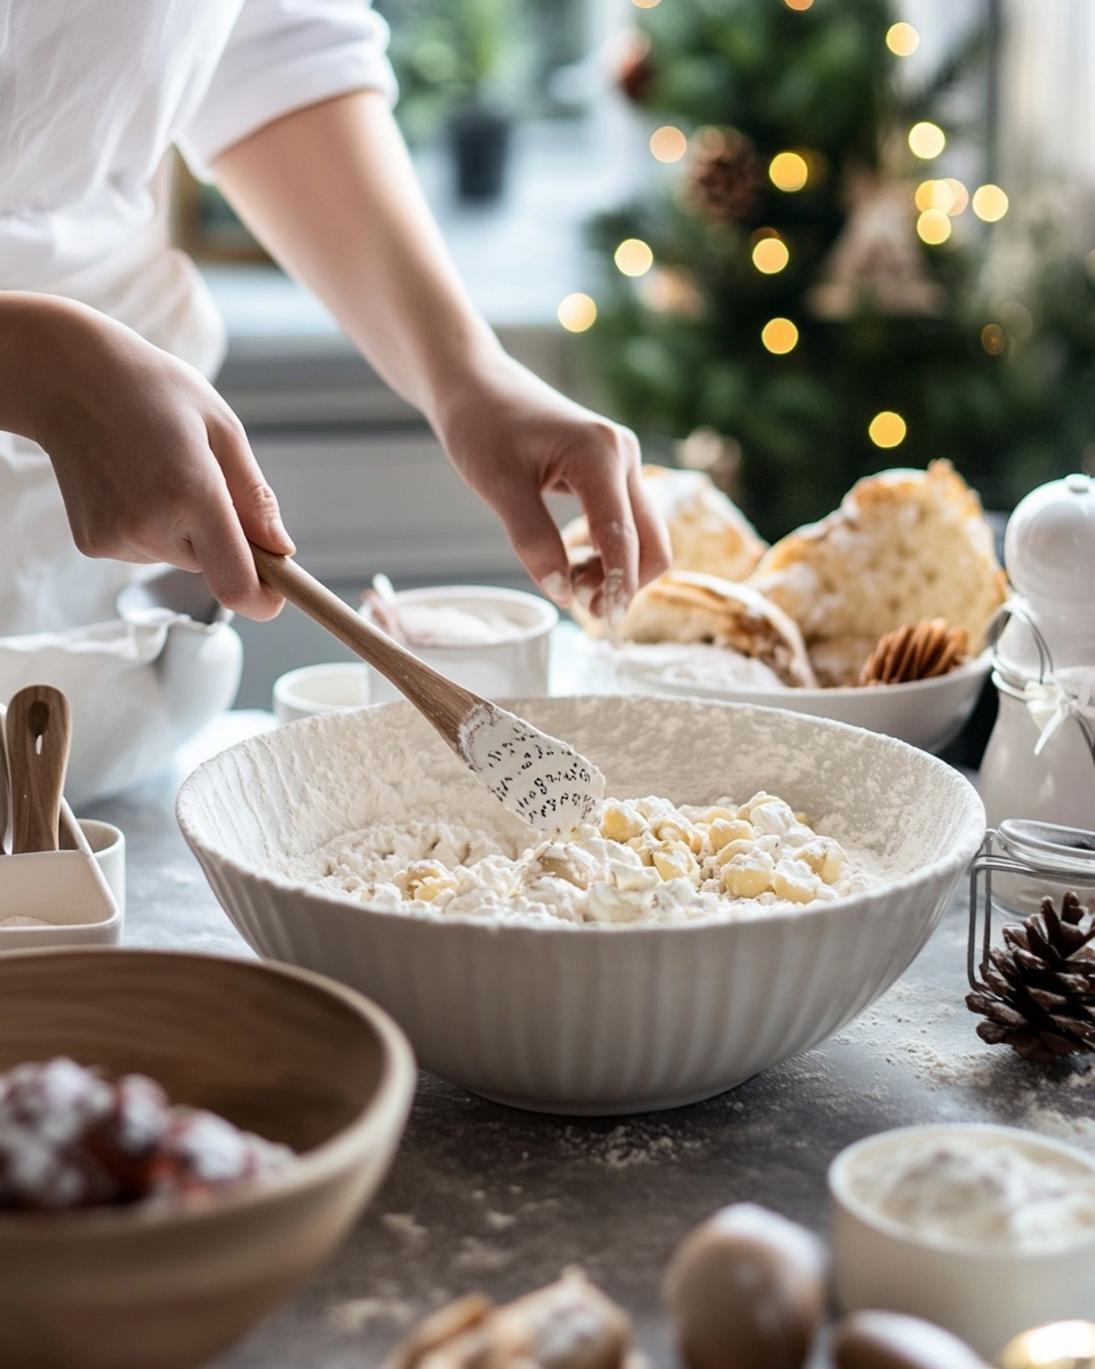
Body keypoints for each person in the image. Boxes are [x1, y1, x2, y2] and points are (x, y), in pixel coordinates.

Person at [0, 0, 670, 639]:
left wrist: (467, 374)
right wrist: (36, 364)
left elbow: (275, 46)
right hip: (93, 389)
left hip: (108, 454)